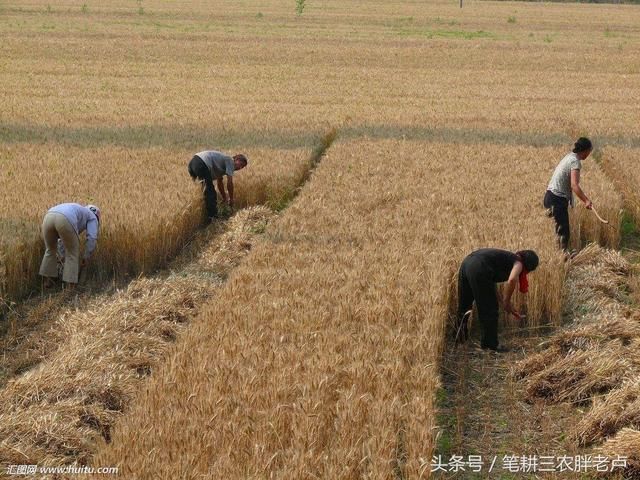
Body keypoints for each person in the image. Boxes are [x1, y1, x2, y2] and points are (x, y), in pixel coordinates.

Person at [456, 248, 539, 352]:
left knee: (465, 305)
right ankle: (490, 346)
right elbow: (512, 280)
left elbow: (490, 283)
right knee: (489, 310)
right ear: (529, 266)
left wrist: (502, 302)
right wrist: (506, 301)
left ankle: (459, 339)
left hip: (467, 263)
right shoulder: (519, 263)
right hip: (479, 266)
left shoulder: (507, 258)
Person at [544, 137, 593, 252]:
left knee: (555, 233)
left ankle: (557, 259)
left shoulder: (569, 157)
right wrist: (586, 200)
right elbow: (574, 185)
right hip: (557, 200)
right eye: (589, 151)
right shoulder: (575, 162)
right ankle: (562, 260)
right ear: (585, 151)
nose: (589, 154)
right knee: (563, 233)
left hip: (549, 197)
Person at [39, 203, 101, 288]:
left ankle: (47, 283)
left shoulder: (79, 210)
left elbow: (61, 239)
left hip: (48, 216)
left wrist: (61, 254)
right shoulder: (93, 217)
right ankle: (70, 288)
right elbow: (92, 238)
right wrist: (86, 256)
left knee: (50, 250)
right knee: (72, 253)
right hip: (65, 219)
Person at [188, 151, 248, 223]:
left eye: (242, 167)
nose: (240, 167)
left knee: (203, 192)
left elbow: (220, 183)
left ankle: (206, 218)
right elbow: (229, 182)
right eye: (240, 164)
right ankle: (213, 220)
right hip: (202, 163)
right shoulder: (230, 161)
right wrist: (231, 199)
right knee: (211, 194)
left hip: (192, 164)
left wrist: (224, 197)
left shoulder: (222, 164)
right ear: (236, 159)